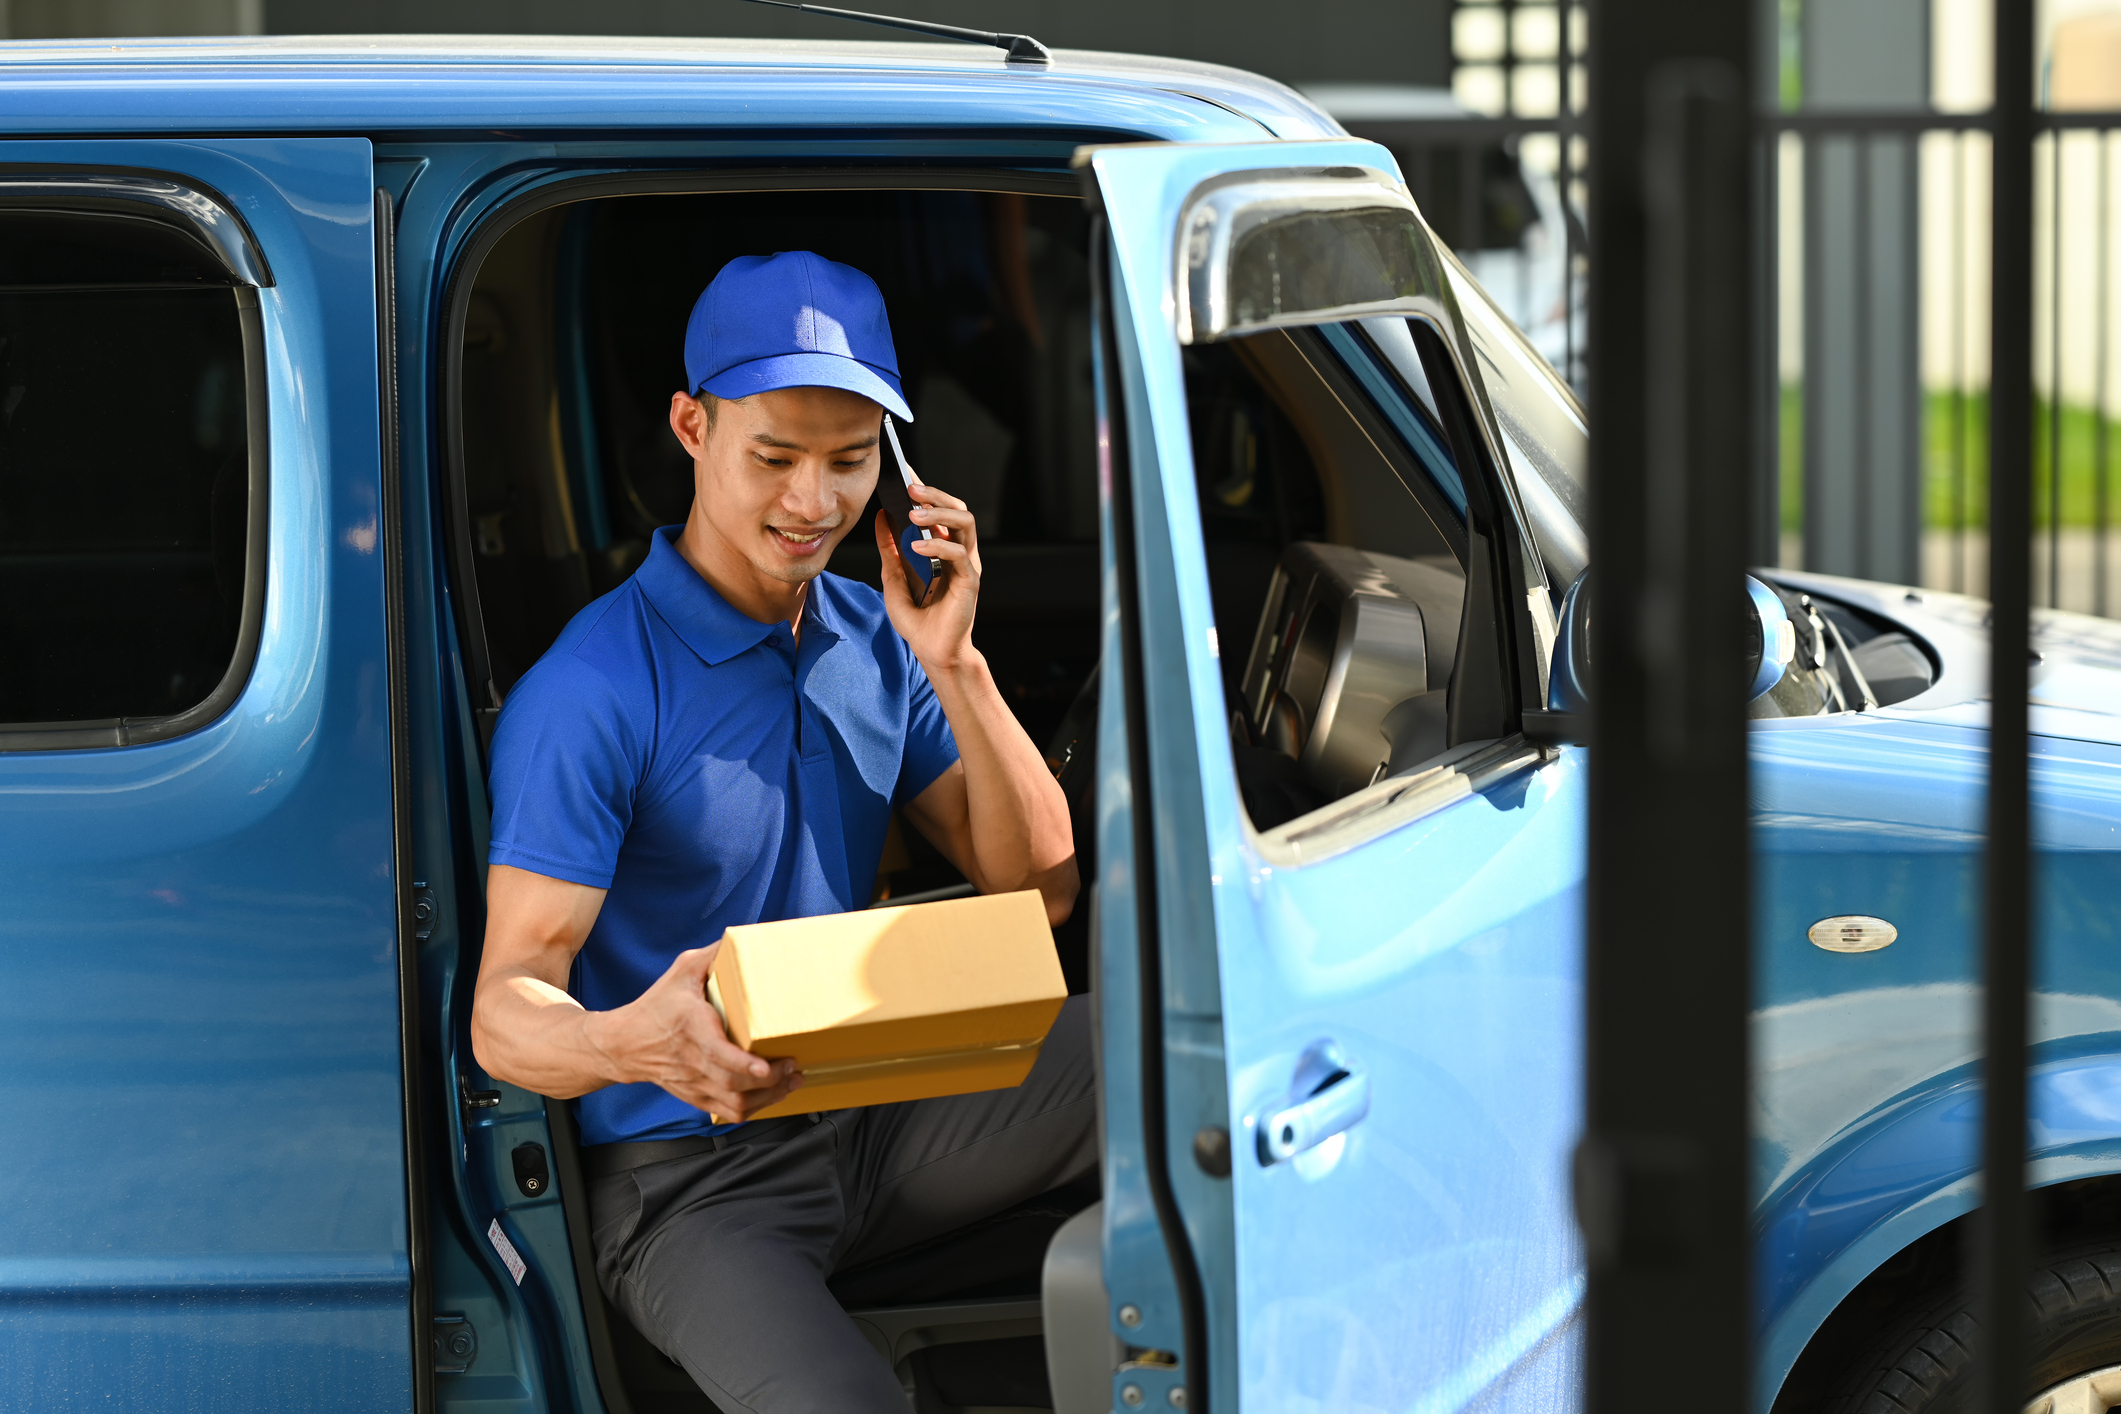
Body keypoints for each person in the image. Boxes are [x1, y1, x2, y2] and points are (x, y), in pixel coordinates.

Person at [469, 250, 1092, 1412]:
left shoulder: (876, 635)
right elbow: (506, 1010)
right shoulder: (594, 691)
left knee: (1194, 1058)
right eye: (775, 457)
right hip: (688, 1176)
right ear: (691, 426)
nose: (813, 503)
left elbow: (1041, 889)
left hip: (877, 1102)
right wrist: (631, 1042)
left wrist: (956, 662)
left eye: (851, 462)